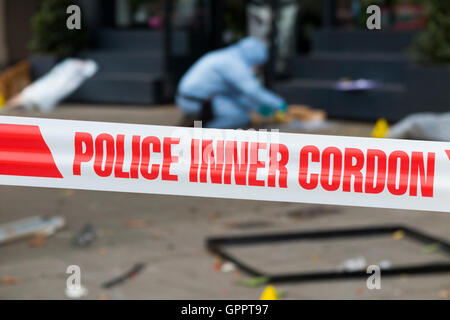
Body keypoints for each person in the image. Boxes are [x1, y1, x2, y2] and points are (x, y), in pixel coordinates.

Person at [176, 37, 288, 128]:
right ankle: (201, 137)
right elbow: (252, 91)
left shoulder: (230, 55)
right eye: (258, 64)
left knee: (239, 109)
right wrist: (278, 104)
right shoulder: (234, 63)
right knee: (239, 117)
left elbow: (236, 94)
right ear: (255, 57)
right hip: (196, 101)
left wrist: (257, 107)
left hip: (195, 97)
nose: (257, 67)